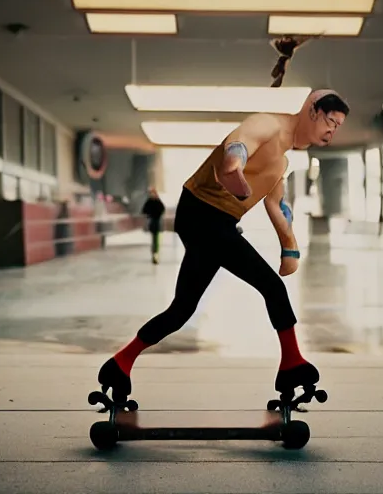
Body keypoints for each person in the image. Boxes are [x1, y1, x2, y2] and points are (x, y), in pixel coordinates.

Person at [97, 89, 350, 402]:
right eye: (329, 121)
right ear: (312, 110)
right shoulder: (268, 124)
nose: (332, 131)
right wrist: (233, 166)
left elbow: (277, 206)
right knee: (271, 286)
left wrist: (290, 248)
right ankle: (292, 363)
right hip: (202, 211)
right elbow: (240, 144)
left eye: (338, 127)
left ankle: (119, 364)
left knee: (181, 309)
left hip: (216, 223)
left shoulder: (281, 164)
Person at [141, 188, 166, 264]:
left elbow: (162, 209)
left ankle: (155, 253)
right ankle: (154, 253)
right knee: (154, 239)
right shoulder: (150, 201)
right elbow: (144, 210)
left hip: (156, 222)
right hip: (153, 222)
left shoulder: (156, 201)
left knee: (155, 239)